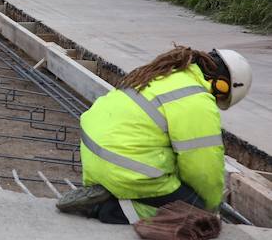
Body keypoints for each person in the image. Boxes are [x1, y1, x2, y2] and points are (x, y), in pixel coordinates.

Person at [57, 45, 253, 224]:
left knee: (174, 176)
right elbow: (203, 168)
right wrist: (210, 208)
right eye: (221, 98)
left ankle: (115, 192)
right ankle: (112, 209)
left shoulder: (161, 75)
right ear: (223, 85)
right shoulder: (196, 100)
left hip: (96, 162)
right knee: (195, 215)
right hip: (128, 170)